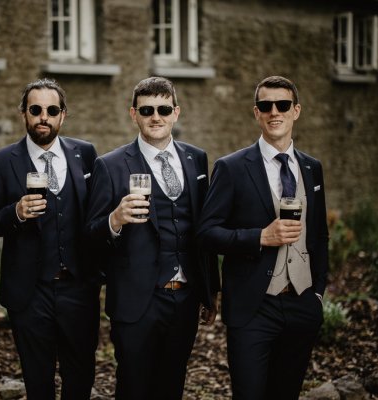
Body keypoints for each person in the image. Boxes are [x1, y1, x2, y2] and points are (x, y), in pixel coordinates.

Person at [85, 76, 219, 400]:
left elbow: (205, 228)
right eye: (147, 110)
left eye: (163, 109)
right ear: (134, 114)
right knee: (134, 387)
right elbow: (89, 236)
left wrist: (210, 289)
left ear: (176, 112)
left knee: (172, 385)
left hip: (185, 297)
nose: (155, 117)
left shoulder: (196, 160)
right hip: (136, 302)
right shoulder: (110, 165)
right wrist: (114, 219)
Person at [197, 75, 329, 400]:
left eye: (282, 105)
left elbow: (320, 236)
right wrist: (260, 236)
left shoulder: (312, 168)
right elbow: (207, 233)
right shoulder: (232, 167)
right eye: (265, 106)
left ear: (296, 111)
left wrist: (318, 295)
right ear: (256, 113)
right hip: (253, 307)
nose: (274, 112)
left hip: (301, 304)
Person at [0, 78, 100, 399]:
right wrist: (15, 211)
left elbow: (96, 214)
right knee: (38, 380)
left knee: (81, 375)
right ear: (24, 114)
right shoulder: (1, 162)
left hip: (79, 287)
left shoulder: (85, 154)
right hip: (29, 293)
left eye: (51, 110)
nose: (43, 117)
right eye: (35, 109)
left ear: (63, 115)